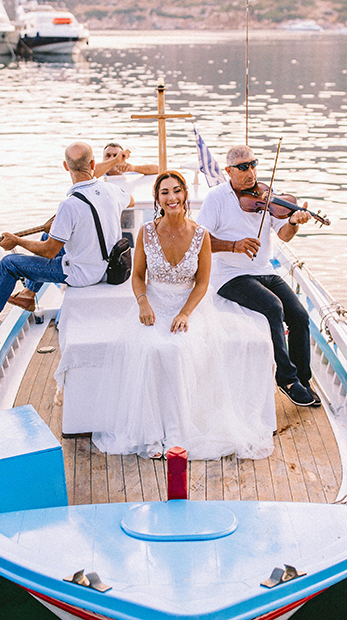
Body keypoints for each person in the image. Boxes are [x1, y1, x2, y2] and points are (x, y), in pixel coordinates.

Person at [91, 169, 276, 460]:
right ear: (158, 199)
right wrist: (143, 303)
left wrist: (186, 314)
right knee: (150, 349)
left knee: (178, 349)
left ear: (185, 194)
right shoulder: (146, 232)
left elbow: (202, 283)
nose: (171, 197)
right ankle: (151, 434)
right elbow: (137, 276)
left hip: (189, 306)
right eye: (165, 192)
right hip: (153, 304)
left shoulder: (201, 235)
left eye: (176, 190)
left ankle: (177, 434)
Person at [0, 142, 134, 331]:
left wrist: (17, 241)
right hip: (107, 266)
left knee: (9, 264)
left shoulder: (69, 206)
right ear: (92, 164)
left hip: (83, 274)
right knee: (47, 235)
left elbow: (49, 252)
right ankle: (28, 294)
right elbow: (131, 201)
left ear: (66, 167)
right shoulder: (112, 190)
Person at [197, 144, 320, 408]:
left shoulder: (266, 195)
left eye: (253, 164)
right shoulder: (217, 198)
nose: (250, 171)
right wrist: (234, 245)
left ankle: (303, 378)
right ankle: (286, 378)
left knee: (299, 316)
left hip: (264, 270)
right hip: (230, 275)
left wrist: (294, 222)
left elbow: (283, 234)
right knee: (273, 307)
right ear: (229, 171)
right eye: (243, 167)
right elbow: (200, 238)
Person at [94, 143, 159, 178]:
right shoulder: (98, 175)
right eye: (108, 156)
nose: (111, 159)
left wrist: (134, 168)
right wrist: (115, 161)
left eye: (116, 155)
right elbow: (89, 174)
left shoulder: (130, 172)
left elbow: (158, 169)